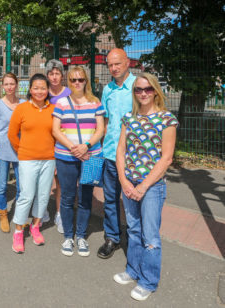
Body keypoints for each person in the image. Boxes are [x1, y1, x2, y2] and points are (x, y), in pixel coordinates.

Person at [113, 73, 178, 301]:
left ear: (156, 91)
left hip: (151, 187)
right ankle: (133, 270)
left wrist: (143, 187)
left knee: (150, 235)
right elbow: (120, 151)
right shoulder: (128, 119)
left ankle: (148, 281)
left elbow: (166, 158)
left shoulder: (166, 119)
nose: (143, 93)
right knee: (133, 230)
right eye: (138, 89)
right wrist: (124, 180)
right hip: (129, 184)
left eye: (148, 89)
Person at [52, 66, 105, 257]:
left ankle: (81, 235)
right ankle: (68, 236)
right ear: (68, 82)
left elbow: (100, 129)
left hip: (90, 156)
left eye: (80, 80)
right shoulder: (61, 103)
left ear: (86, 81)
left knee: (85, 197)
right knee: (66, 197)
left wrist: (86, 146)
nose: (76, 83)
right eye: (73, 80)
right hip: (66, 156)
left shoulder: (95, 102)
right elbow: (56, 130)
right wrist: (74, 148)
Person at [8, 73, 56, 253]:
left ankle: (35, 226)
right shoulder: (21, 109)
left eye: (43, 88)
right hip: (27, 159)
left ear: (48, 90)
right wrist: (21, 150)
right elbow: (12, 134)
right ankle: (19, 231)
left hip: (49, 159)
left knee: (43, 195)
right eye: (36, 87)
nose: (39, 91)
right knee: (27, 195)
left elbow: (58, 133)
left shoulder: (54, 109)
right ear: (30, 89)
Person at [97, 48, 136, 259]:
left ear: (127, 62)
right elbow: (104, 120)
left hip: (134, 157)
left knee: (132, 199)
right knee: (110, 199)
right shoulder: (107, 90)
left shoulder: (139, 87)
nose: (113, 68)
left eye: (117, 63)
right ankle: (112, 237)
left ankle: (134, 239)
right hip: (111, 154)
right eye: (110, 65)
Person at [0, 72, 24, 233]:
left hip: (20, 150)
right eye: (6, 84)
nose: (10, 87)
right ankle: (3, 213)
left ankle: (19, 214)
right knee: (2, 185)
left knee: (21, 186)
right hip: (2, 150)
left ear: (16, 85)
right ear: (2, 86)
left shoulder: (24, 103)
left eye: (12, 84)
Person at [45, 59, 71, 233]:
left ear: (62, 75)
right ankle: (41, 210)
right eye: (51, 73)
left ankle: (60, 214)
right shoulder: (42, 92)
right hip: (45, 141)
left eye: (57, 73)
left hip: (63, 142)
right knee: (44, 180)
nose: (54, 77)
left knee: (60, 181)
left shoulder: (69, 93)